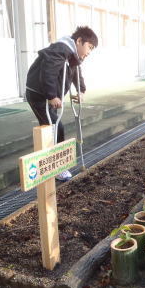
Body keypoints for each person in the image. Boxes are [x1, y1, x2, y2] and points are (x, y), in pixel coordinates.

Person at [26, 26, 98, 181]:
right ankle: (55, 168)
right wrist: (52, 95)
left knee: (50, 129)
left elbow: (76, 74)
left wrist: (81, 90)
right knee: (54, 128)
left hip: (47, 96)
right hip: (38, 95)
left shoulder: (72, 56)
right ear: (79, 41)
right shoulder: (60, 49)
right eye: (89, 47)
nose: (89, 52)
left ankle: (51, 163)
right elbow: (48, 71)